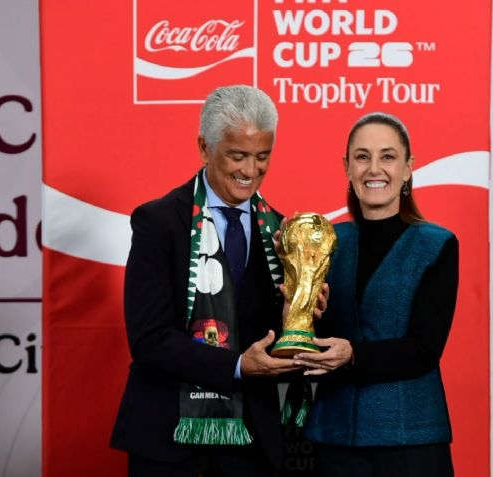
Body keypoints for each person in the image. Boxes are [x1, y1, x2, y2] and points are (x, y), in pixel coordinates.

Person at [110, 85, 318, 476]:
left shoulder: (282, 232)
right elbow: (149, 339)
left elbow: (283, 344)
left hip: (253, 446)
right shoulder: (158, 223)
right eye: (237, 156)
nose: (250, 171)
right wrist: (237, 365)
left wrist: (297, 314)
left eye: (262, 156)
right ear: (205, 148)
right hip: (169, 443)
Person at [294, 112, 459, 476]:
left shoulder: (436, 244)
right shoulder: (326, 243)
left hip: (410, 441)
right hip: (334, 439)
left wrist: (353, 354)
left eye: (388, 156)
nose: (374, 168)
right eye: (362, 156)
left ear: (408, 167)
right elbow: (314, 344)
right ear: (347, 167)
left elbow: (423, 349)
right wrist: (302, 310)